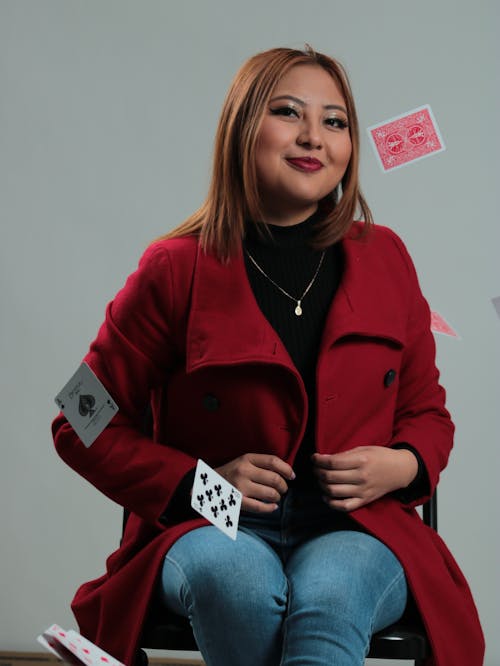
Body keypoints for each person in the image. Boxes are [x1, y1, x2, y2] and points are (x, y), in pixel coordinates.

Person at [52, 46, 484, 666]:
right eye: (288, 113)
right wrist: (203, 488)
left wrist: (403, 464)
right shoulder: (173, 268)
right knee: (238, 586)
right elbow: (78, 420)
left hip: (358, 529)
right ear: (241, 129)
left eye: (335, 121)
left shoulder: (388, 258)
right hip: (212, 526)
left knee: (332, 593)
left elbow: (428, 413)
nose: (314, 136)